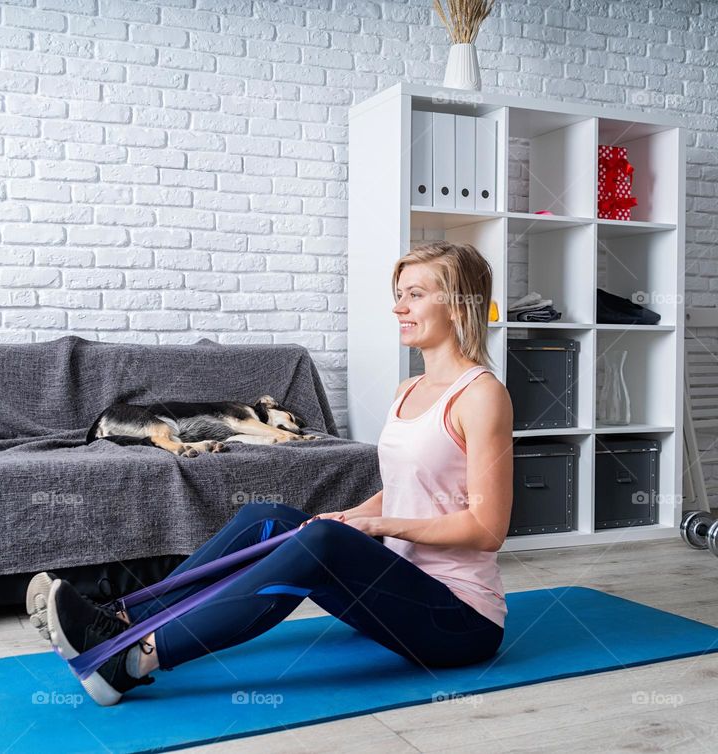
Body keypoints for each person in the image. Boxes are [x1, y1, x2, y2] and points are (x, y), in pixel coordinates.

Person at [28, 240, 514, 707]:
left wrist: (374, 527)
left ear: (456, 305)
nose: (399, 308)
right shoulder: (408, 390)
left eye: (415, 295)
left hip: (457, 619)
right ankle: (119, 620)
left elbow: (487, 529)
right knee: (269, 517)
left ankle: (132, 661)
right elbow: (411, 491)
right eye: (399, 295)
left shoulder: (481, 395)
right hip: (400, 587)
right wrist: (350, 514)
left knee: (321, 543)